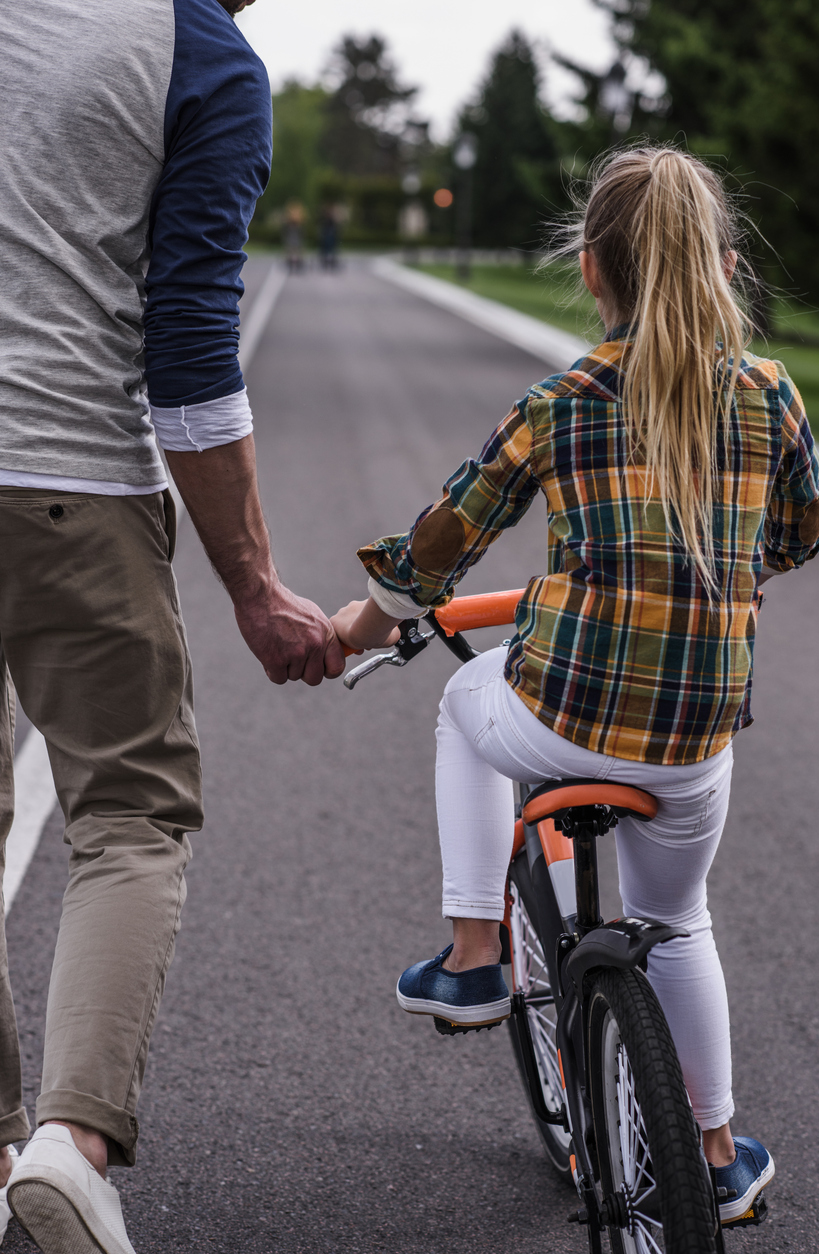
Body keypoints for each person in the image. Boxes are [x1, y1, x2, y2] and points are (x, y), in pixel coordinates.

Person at [332, 147, 819, 1222]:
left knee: (466, 711)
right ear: (725, 268)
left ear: (593, 272)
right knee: (680, 919)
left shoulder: (564, 401)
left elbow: (442, 542)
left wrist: (360, 620)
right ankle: (716, 1150)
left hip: (567, 717)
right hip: (699, 742)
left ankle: (473, 954)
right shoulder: (769, 393)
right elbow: (800, 533)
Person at [0, 0, 344, 1250]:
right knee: (130, 814)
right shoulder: (200, 57)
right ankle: (72, 1147)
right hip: (64, 478)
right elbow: (191, 351)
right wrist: (255, 588)